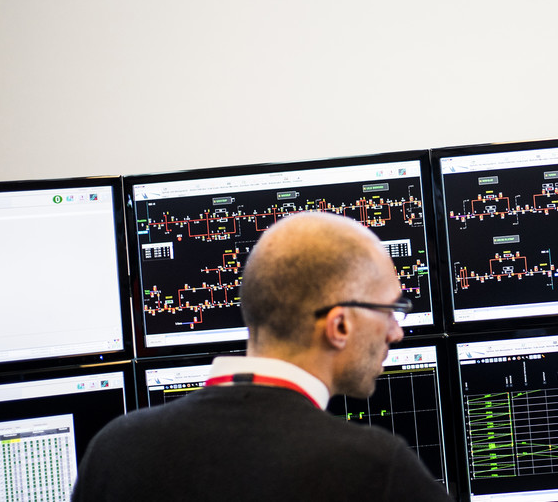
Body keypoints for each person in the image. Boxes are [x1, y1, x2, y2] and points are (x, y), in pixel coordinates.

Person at [72, 211, 451, 501]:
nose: (396, 332)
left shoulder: (115, 449)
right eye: (390, 310)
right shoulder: (374, 469)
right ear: (340, 326)